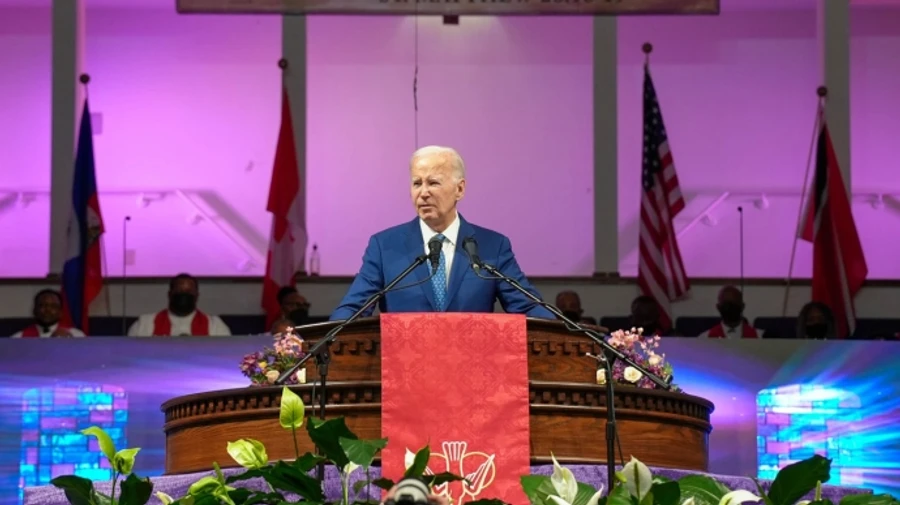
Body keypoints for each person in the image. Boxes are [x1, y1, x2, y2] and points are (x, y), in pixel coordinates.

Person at [330, 145, 554, 320]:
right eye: (417, 183)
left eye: (433, 183)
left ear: (460, 189)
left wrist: (566, 334)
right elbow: (354, 309)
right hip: (405, 362)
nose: (423, 193)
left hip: (471, 361)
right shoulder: (384, 246)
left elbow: (528, 307)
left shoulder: (492, 246)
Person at [128, 273, 231, 337]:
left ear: (196, 296)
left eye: (188, 292)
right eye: (179, 291)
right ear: (170, 294)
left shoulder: (215, 326)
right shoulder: (145, 324)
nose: (184, 295)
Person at [11, 289, 86, 338]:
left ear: (61, 312)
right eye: (43, 305)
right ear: (34, 310)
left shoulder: (76, 336)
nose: (48, 310)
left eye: (53, 306)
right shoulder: (18, 338)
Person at [698, 285, 764, 339]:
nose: (730, 308)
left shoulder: (760, 337)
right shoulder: (704, 339)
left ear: (742, 306)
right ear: (718, 307)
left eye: (734, 304)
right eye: (726, 304)